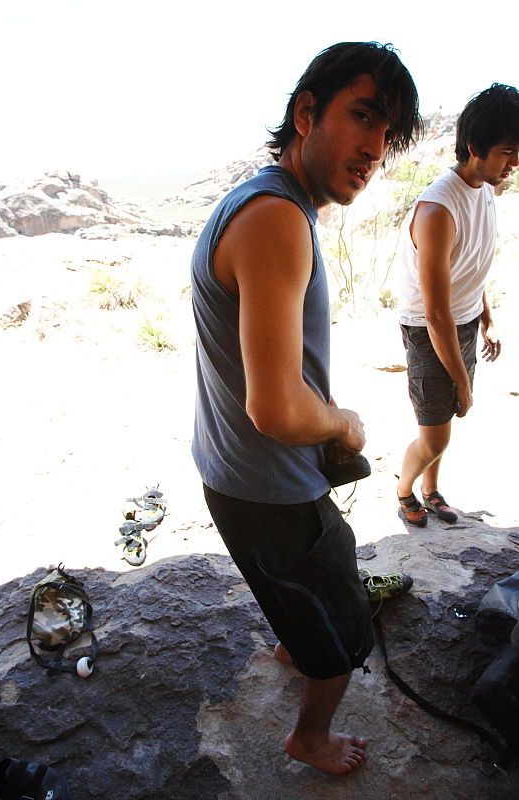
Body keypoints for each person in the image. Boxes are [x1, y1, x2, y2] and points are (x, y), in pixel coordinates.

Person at [191, 41, 422, 776]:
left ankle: (296, 633)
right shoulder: (275, 219)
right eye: (361, 118)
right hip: (273, 491)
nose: (373, 150)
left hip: (232, 478)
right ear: (304, 113)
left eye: (386, 136)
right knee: (346, 634)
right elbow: (277, 409)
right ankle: (309, 737)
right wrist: (342, 421)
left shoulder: (258, 201)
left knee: (289, 591)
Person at [396, 84, 519, 527]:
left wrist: (487, 318)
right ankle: (404, 490)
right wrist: (463, 383)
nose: (515, 163)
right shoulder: (437, 210)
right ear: (474, 148)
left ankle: (431, 492)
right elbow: (435, 313)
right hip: (430, 330)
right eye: (508, 152)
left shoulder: (485, 187)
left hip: (464, 321)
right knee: (436, 434)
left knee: (442, 428)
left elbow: (472, 263)